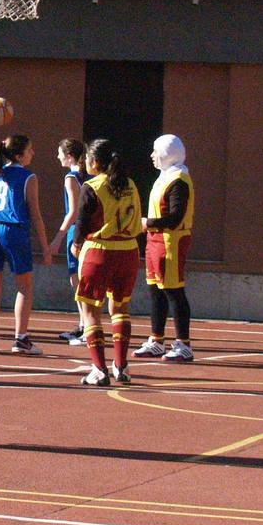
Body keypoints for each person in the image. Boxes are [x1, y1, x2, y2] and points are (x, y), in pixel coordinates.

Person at [71, 139, 142, 386]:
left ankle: (99, 370)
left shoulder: (92, 186)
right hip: (129, 251)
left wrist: (76, 243)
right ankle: (121, 366)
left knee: (91, 311)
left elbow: (81, 222)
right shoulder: (130, 184)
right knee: (120, 308)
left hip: (100, 251)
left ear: (95, 162)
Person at [0, 134, 51, 355]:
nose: (33, 153)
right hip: (14, 230)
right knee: (24, 286)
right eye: (30, 150)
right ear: (19, 155)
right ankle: (20, 339)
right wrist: (45, 247)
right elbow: (35, 214)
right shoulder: (29, 177)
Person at [134, 134, 195, 362]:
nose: (152, 156)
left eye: (156, 152)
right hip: (155, 239)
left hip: (171, 240)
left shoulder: (179, 180)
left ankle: (184, 344)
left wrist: (148, 223)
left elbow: (176, 217)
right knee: (155, 290)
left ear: (168, 154)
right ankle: (157, 340)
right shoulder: (165, 176)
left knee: (173, 291)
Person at [48, 138, 88, 345]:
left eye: (60, 153)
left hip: (76, 232)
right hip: (89, 231)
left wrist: (57, 238)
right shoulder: (89, 175)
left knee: (78, 280)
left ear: (70, 156)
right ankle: (83, 325)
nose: (57, 156)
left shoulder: (71, 178)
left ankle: (88, 328)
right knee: (81, 280)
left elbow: (72, 212)